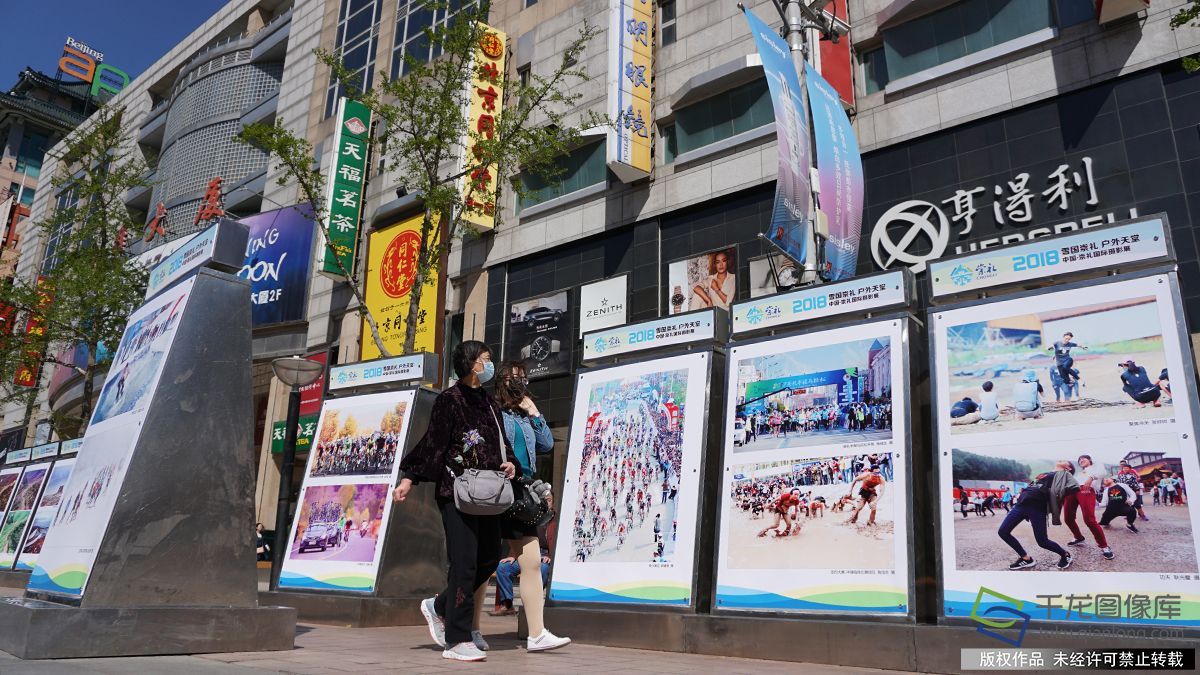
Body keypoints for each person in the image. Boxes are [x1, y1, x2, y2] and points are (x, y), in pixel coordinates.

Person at [393, 341, 515, 663]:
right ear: (471, 363)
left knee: (489, 558)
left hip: (489, 493)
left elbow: (501, 442)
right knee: (464, 563)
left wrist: (511, 463)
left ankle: (438, 606)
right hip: (456, 491)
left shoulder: (489, 403)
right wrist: (409, 477)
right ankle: (457, 638)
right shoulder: (450, 400)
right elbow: (434, 443)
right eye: (484, 359)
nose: (489, 364)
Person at [487, 361, 570, 652]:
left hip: (521, 492)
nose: (519, 382)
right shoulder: (492, 411)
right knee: (481, 562)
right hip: (495, 489)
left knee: (532, 561)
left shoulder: (524, 414)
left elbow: (546, 444)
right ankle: (451, 615)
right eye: (514, 378)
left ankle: (537, 633)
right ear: (501, 381)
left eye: (523, 378)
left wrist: (534, 412)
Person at [997, 462, 1077, 570]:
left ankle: (1065, 555)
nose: (1061, 459)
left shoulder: (1064, 474)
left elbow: (1075, 487)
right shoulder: (1044, 473)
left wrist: (1055, 495)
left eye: (1065, 461)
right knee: (1003, 532)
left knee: (1042, 542)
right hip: (1021, 504)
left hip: (1037, 508)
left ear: (1068, 467)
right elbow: (1034, 485)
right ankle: (1026, 559)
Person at [492, 528, 552, 617]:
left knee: (542, 569)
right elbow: (518, 539)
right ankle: (507, 605)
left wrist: (550, 556)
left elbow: (559, 543)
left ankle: (530, 607)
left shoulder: (555, 521)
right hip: (525, 553)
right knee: (503, 567)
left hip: (544, 556)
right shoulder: (532, 520)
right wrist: (513, 555)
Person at [1064, 455, 1113, 560]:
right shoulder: (1079, 473)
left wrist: (1091, 477)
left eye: (1083, 459)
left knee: (1089, 519)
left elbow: (1103, 473)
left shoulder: (1096, 466)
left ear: (1090, 460)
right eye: (1079, 460)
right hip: (1072, 491)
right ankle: (1079, 538)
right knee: (1068, 518)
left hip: (1086, 489)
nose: (1081, 460)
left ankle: (1104, 546)